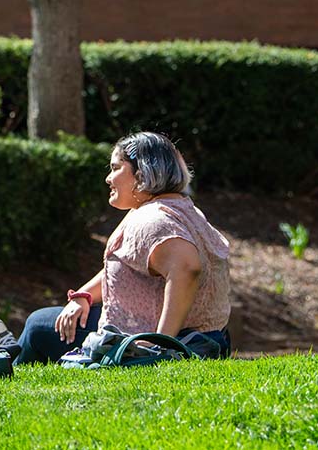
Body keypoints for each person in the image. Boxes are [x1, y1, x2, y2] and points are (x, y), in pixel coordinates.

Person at [14, 131, 232, 364]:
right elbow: (128, 260)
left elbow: (187, 268)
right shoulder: (174, 207)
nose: (109, 178)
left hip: (181, 341)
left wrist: (159, 346)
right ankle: (4, 352)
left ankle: (3, 361)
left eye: (116, 168)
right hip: (207, 337)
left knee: (39, 325)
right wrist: (83, 296)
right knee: (44, 322)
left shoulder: (153, 219)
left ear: (142, 173)